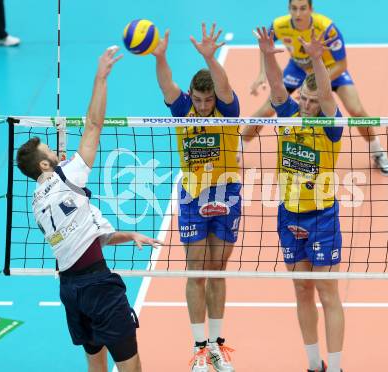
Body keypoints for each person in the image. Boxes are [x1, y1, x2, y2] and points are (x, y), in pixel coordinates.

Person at [16, 46, 161, 372]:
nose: (55, 151)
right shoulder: (67, 177)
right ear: (45, 164)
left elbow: (85, 236)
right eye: (49, 150)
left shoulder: (36, 204)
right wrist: (101, 77)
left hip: (71, 290)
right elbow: (94, 126)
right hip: (98, 287)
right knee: (131, 363)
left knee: (95, 364)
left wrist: (128, 234)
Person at [249, 26, 345, 372]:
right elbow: (276, 88)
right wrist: (266, 53)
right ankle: (312, 365)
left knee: (327, 293)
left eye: (312, 100)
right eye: (303, 97)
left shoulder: (330, 129)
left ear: (322, 105)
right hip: (289, 216)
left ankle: (334, 368)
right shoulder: (288, 117)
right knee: (302, 290)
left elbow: (330, 97)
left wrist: (318, 60)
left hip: (321, 218)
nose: (305, 104)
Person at [152, 23, 240, 372]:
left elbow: (226, 86)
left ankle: (217, 347)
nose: (204, 105)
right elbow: (166, 83)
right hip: (192, 198)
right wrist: (160, 57)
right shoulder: (182, 108)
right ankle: (199, 348)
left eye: (208, 100)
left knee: (217, 272)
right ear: (191, 96)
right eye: (198, 99)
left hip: (227, 195)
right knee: (196, 272)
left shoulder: (228, 111)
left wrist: (209, 57)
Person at [248, 0, 388, 176]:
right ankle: (237, 150)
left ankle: (377, 151)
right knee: (266, 110)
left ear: (311, 9)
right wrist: (261, 73)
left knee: (356, 110)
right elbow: (266, 45)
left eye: (303, 9)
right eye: (294, 9)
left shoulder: (326, 28)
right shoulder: (279, 25)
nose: (298, 14)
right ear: (289, 10)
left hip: (331, 69)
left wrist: (319, 84)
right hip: (299, 69)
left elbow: (342, 64)